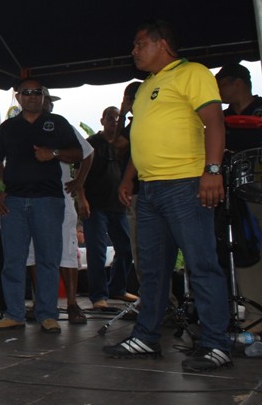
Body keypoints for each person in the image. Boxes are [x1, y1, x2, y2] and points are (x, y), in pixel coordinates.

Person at [103, 20, 232, 373]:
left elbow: (214, 122)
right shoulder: (146, 87)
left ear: (162, 45)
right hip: (149, 190)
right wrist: (128, 178)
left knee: (201, 265)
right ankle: (146, 337)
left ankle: (216, 344)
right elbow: (141, 138)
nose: (134, 50)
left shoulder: (192, 73)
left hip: (185, 185)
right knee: (153, 270)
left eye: (139, 43)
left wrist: (212, 171)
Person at [0, 78, 83, 334]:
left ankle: (48, 315)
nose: (31, 96)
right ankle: (14, 314)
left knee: (48, 260)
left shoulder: (58, 123)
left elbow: (78, 153)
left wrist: (53, 153)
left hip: (48, 201)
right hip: (14, 202)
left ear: (43, 96)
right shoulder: (8, 127)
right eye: (26, 92)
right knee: (13, 260)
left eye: (36, 92)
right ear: (18, 97)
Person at [25, 89, 93, 325]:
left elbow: (87, 153)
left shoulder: (62, 127)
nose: (45, 105)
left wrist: (79, 183)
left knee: (67, 250)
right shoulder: (20, 127)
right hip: (29, 198)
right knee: (34, 251)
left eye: (47, 101)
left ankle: (72, 303)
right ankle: (42, 302)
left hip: (60, 196)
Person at [215, 63, 262, 334]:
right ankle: (255, 316)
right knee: (245, 250)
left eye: (221, 84)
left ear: (239, 83)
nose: (218, 91)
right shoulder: (220, 118)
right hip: (235, 194)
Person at [79, 106, 135, 311]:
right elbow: (80, 174)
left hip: (118, 205)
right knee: (97, 251)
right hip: (95, 205)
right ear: (102, 121)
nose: (114, 121)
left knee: (126, 248)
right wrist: (82, 199)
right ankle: (98, 296)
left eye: (117, 118)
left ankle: (117, 288)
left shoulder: (125, 144)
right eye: (109, 118)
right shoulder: (92, 143)